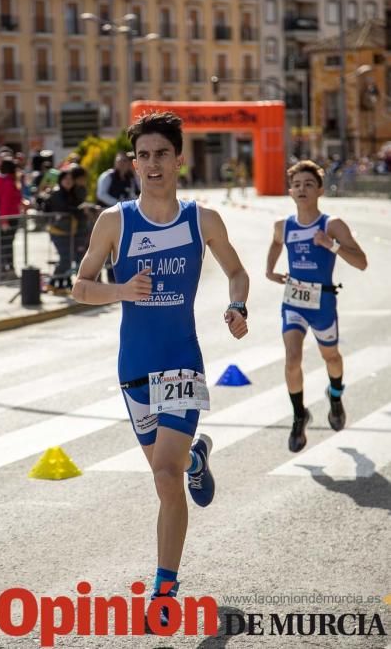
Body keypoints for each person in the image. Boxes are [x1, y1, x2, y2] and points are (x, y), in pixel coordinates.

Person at [72, 111, 249, 628]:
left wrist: (238, 307)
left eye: (161, 155)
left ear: (178, 160)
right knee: (165, 471)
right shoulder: (116, 222)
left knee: (165, 477)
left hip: (181, 364)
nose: (152, 164)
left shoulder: (202, 220)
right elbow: (81, 287)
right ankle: (196, 458)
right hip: (135, 368)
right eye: (143, 155)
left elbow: (237, 271)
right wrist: (121, 290)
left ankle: (164, 588)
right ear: (135, 163)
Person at [265, 160, 367, 453]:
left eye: (308, 184)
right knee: (292, 358)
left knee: (331, 357)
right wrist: (270, 270)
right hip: (294, 300)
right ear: (290, 191)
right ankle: (299, 415)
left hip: (323, 301)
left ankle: (335, 396)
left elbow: (361, 262)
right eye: (296, 185)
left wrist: (331, 245)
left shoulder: (332, 225)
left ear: (320, 190)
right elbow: (275, 242)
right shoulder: (283, 225)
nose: (302, 189)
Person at [96, 151, 140, 281]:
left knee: (122, 245)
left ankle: (119, 275)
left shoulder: (131, 178)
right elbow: (101, 194)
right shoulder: (107, 176)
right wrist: (118, 205)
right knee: (106, 246)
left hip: (125, 217)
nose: (122, 164)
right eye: (119, 161)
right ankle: (104, 277)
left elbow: (135, 193)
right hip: (108, 216)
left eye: (125, 162)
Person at [42, 168, 86, 293]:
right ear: (60, 180)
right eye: (65, 179)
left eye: (71, 179)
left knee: (69, 258)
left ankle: (62, 285)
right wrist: (81, 209)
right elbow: (66, 209)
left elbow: (77, 207)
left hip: (69, 231)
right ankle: (52, 282)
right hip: (58, 231)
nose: (68, 181)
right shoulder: (57, 193)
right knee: (65, 258)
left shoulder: (72, 193)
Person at [0, 157, 23, 281]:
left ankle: (3, 269)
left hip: (6, 217)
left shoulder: (3, 180)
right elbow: (5, 203)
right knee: (5, 244)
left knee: (3, 244)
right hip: (8, 218)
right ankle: (5, 270)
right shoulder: (7, 183)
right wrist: (4, 221)